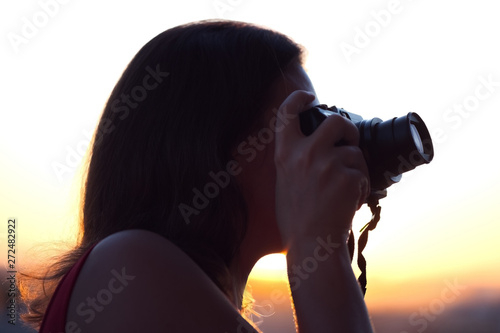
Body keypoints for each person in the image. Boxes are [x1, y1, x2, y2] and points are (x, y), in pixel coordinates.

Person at [19, 20, 373, 332]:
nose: (319, 147)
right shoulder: (130, 268)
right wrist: (318, 245)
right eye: (302, 125)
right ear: (208, 147)